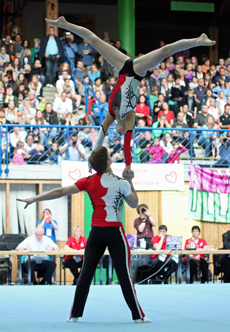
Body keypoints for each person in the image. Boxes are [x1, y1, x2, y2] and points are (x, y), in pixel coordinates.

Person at [45, 16, 215, 174]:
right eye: (122, 132)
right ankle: (198, 40)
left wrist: (91, 160)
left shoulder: (112, 115)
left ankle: (64, 24)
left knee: (95, 41)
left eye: (118, 132)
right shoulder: (129, 118)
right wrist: (127, 167)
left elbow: (100, 136)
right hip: (136, 71)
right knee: (164, 52)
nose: (119, 133)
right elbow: (127, 145)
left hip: (122, 66)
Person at [17, 145, 151, 323]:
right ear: (108, 161)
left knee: (86, 274)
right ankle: (138, 316)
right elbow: (134, 204)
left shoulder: (88, 181)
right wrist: (130, 180)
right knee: (124, 275)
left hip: (95, 233)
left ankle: (74, 315)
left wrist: (35, 198)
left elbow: (62, 191)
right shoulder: (121, 182)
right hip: (114, 232)